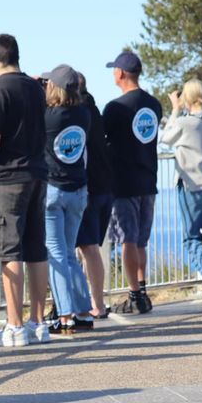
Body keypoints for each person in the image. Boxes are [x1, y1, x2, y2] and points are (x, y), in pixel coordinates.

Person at [0, 34, 50, 347]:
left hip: (7, 178)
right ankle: (38, 322)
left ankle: (14, 327)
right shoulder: (35, 88)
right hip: (37, 172)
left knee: (10, 251)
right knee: (36, 249)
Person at [103, 51, 162, 314]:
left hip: (124, 181)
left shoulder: (115, 108)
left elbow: (103, 140)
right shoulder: (154, 104)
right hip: (148, 178)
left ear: (121, 74)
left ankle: (134, 294)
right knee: (141, 241)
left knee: (128, 239)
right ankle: (143, 289)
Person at [160, 79, 202, 300]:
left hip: (191, 184)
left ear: (186, 98)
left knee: (191, 239)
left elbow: (165, 138)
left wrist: (174, 109)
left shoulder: (185, 122)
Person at [40, 65, 92, 334]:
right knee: (70, 254)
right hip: (78, 190)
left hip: (53, 190)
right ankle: (84, 311)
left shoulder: (48, 117)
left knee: (57, 255)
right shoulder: (83, 114)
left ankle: (65, 316)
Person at [74, 73, 112, 319]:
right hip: (106, 185)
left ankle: (96, 303)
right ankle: (90, 300)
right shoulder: (94, 110)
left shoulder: (78, 114)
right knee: (86, 248)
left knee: (88, 248)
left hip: (90, 188)